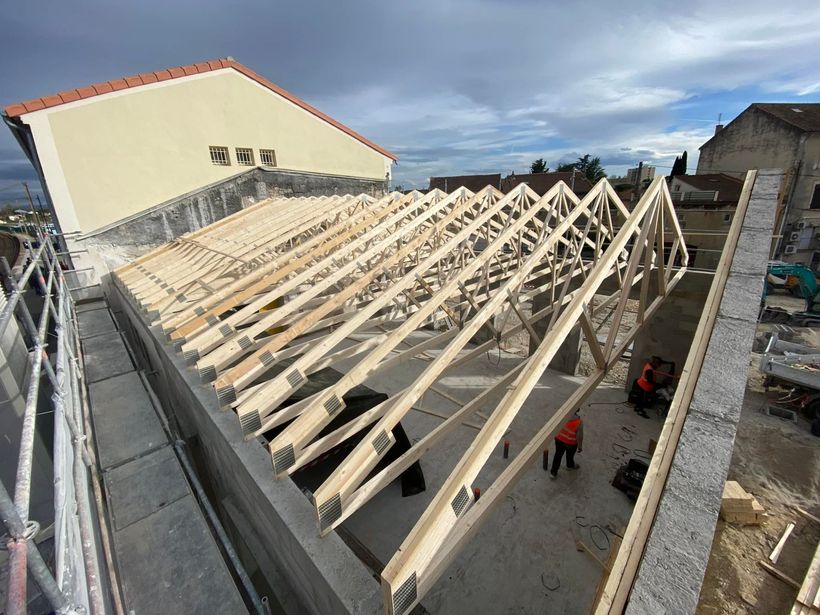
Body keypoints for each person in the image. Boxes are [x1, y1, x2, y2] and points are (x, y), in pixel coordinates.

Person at [550, 409, 583, 479]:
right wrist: (580, 446)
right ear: (577, 410)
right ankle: (569, 466)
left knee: (558, 455)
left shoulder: (561, 416)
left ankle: (553, 473)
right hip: (571, 443)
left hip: (559, 439)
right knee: (570, 455)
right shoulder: (578, 422)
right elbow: (579, 436)